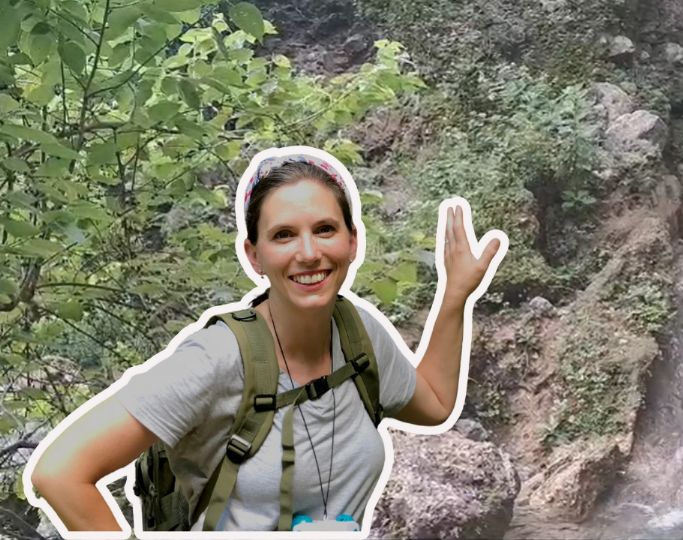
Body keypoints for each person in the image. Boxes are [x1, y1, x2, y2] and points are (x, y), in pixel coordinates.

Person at [26, 147, 507, 534]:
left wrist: (456, 296)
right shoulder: (217, 359)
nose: (309, 253)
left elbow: (436, 403)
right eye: (283, 235)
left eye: (325, 229)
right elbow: (61, 472)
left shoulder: (359, 335)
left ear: (352, 241)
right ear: (254, 256)